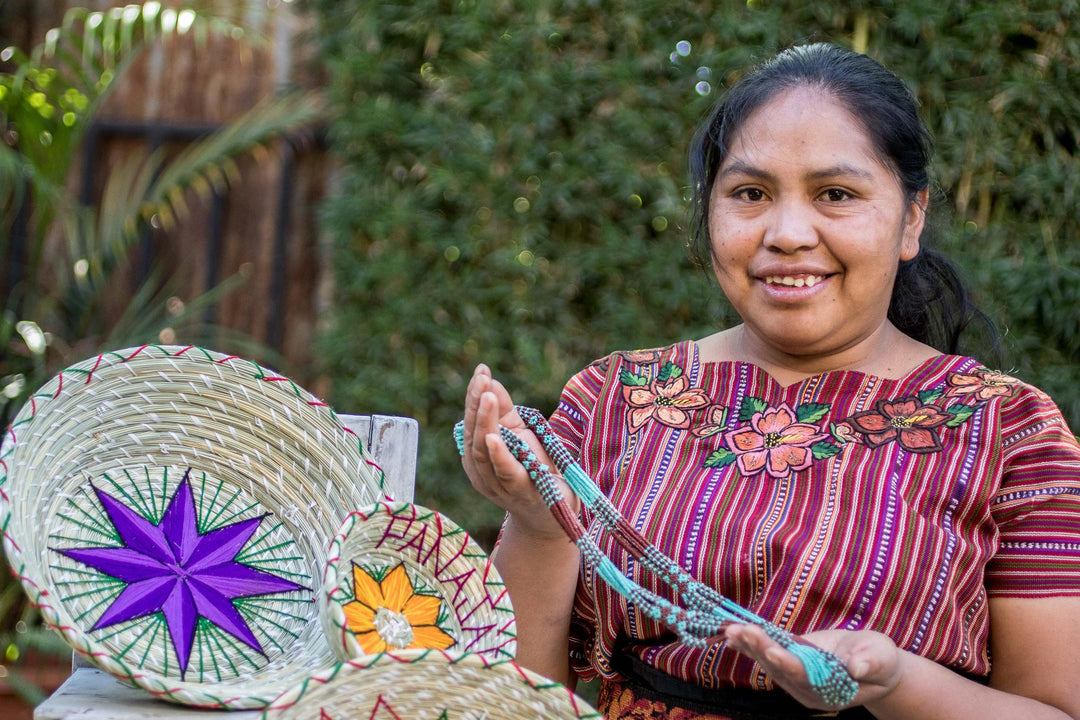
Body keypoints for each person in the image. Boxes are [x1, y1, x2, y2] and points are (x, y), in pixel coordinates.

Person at [460, 43, 1080, 720]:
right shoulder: (615, 401)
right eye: (750, 194)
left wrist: (898, 683)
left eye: (835, 194)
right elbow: (512, 700)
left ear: (912, 218)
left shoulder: (1010, 432)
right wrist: (537, 526)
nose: (786, 233)